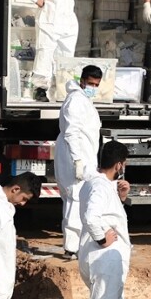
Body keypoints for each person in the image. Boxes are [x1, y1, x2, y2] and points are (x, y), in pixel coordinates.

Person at [77, 140, 132, 299]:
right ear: (119, 165)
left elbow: (107, 212)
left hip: (102, 259)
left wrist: (121, 197)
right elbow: (92, 216)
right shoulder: (99, 186)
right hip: (103, 258)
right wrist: (102, 238)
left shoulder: (98, 184)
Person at [19, 0, 79, 101]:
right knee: (45, 53)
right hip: (50, 17)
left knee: (66, 56)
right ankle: (40, 89)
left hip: (68, 19)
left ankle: (61, 89)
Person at [54, 65, 103, 256]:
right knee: (75, 199)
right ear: (82, 81)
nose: (93, 87)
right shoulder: (75, 100)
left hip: (83, 157)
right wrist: (78, 160)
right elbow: (71, 132)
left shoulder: (83, 100)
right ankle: (71, 247)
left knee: (78, 200)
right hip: (75, 157)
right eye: (90, 83)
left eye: (96, 85)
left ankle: (76, 245)